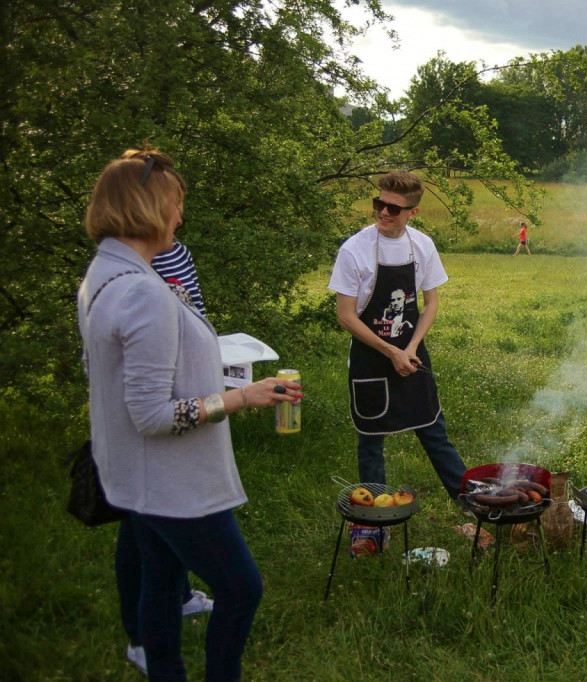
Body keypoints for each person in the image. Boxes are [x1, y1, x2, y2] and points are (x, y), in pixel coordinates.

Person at [78, 148, 302, 681]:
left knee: (159, 578)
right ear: (151, 207)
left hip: (135, 476)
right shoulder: (141, 292)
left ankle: (165, 672)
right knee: (241, 588)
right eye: (176, 203)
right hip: (171, 480)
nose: (180, 215)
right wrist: (241, 397)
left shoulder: (105, 273)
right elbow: (153, 414)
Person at [328, 171, 467, 507]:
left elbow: (431, 301)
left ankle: (475, 506)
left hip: (411, 349)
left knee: (434, 430)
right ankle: (374, 525)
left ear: (412, 213)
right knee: (371, 439)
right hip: (370, 357)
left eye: (393, 208)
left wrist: (412, 346)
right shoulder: (354, 250)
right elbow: (345, 315)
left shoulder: (422, 245)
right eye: (380, 204)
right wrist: (392, 352)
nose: (384, 213)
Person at [115, 239, 211, 675]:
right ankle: (139, 637)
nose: (179, 215)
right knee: (141, 522)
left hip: (186, 403)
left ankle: (180, 596)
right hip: (149, 411)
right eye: (173, 202)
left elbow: (195, 314)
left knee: (172, 509)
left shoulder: (177, 252)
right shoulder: (123, 267)